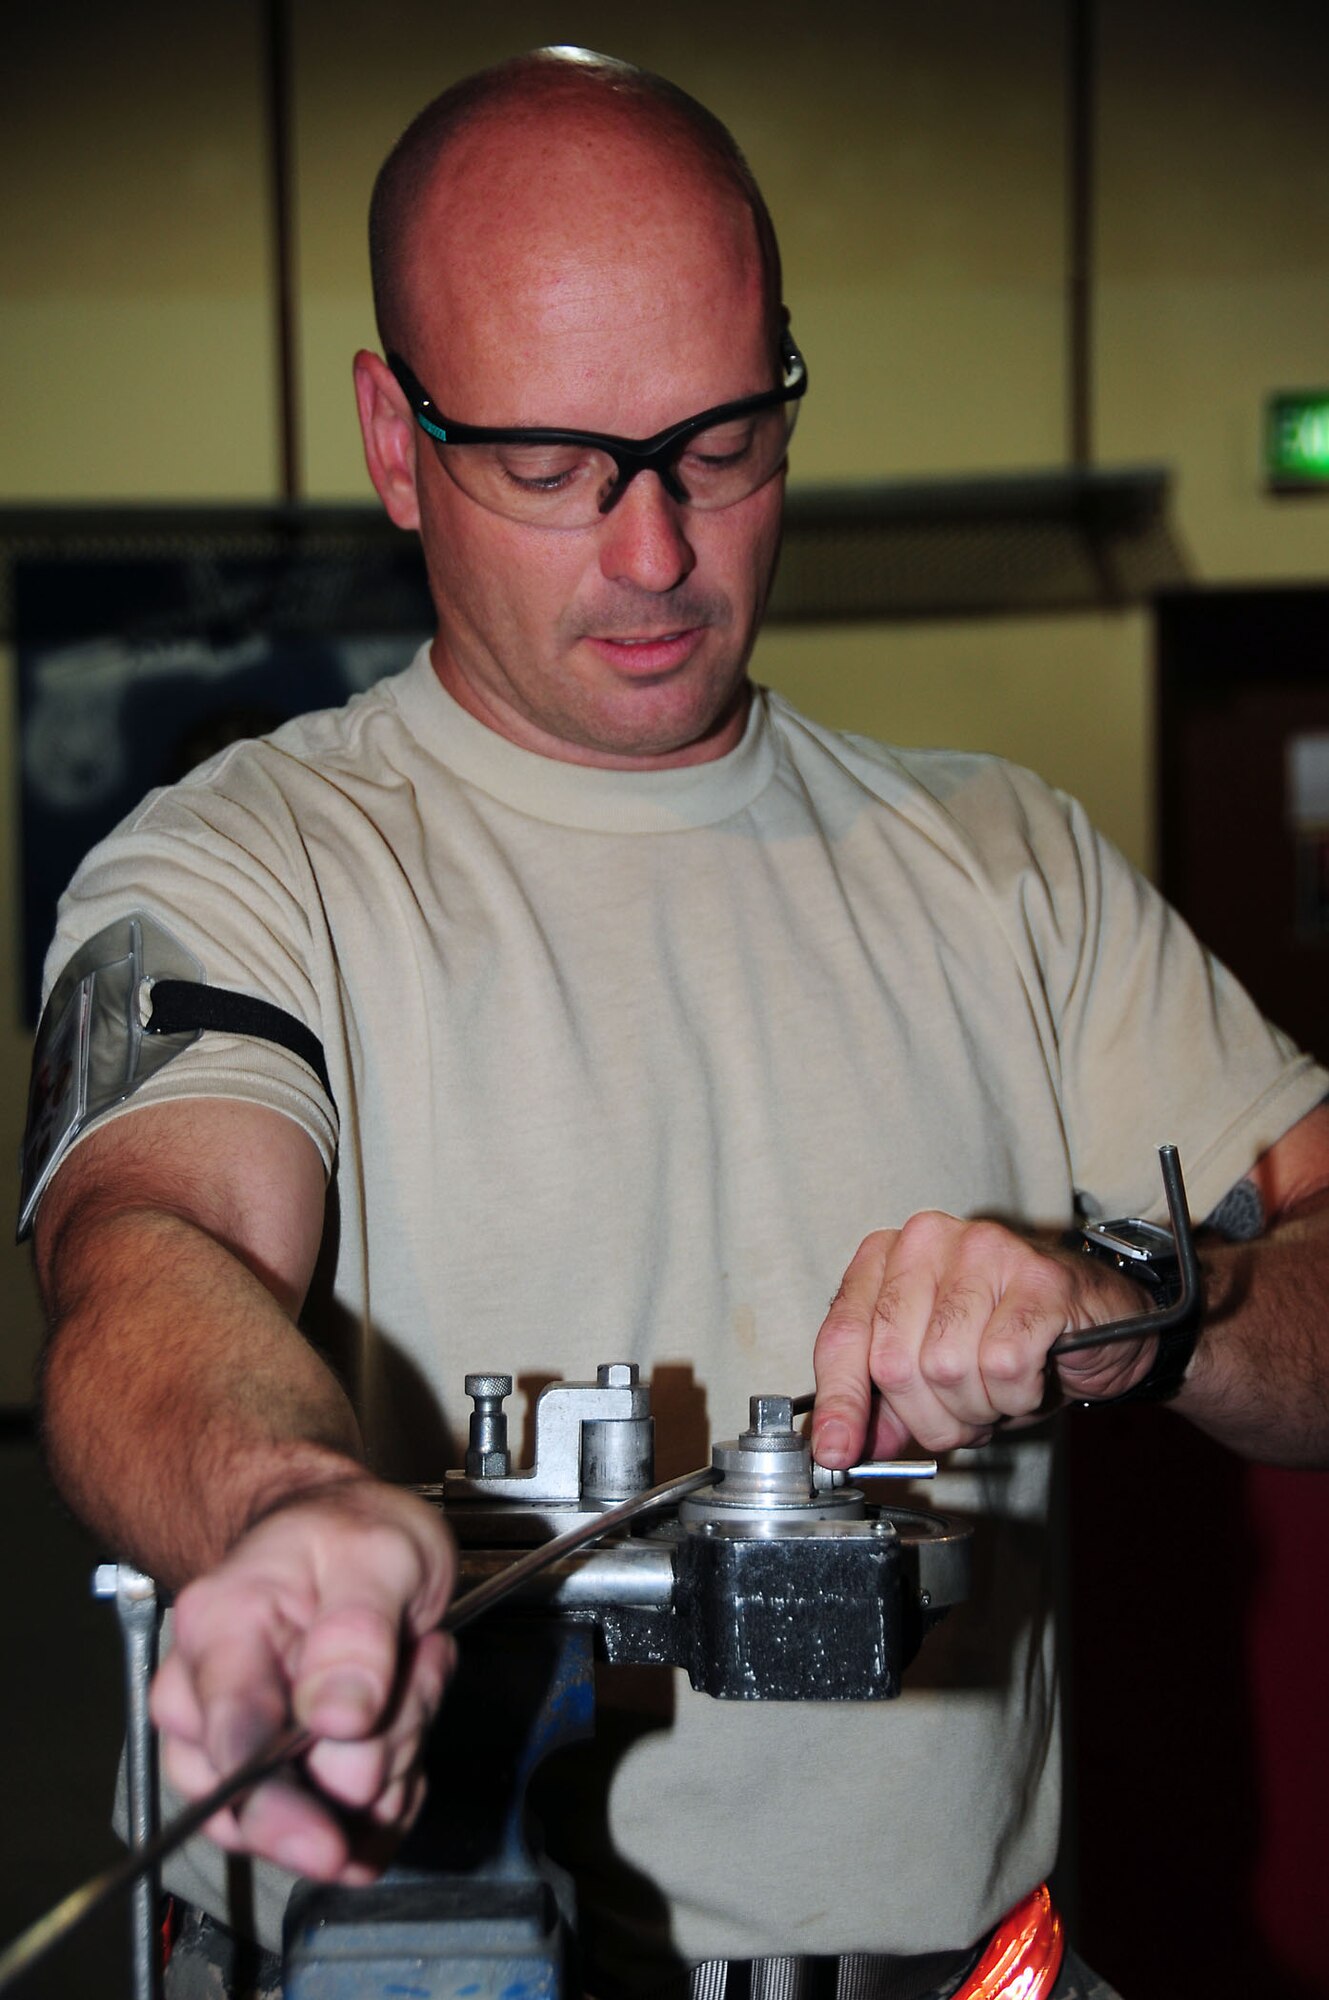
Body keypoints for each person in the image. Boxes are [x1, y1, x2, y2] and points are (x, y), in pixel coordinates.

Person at [27, 46, 1329, 2000]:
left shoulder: (1007, 865)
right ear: (394, 437)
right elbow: (151, 1251)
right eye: (552, 467)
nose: (653, 553)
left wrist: (1146, 1306)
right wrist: (284, 1505)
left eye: (718, 447)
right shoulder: (242, 865)